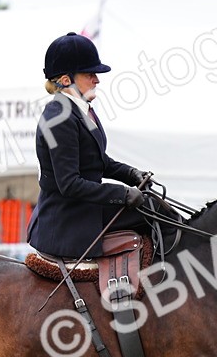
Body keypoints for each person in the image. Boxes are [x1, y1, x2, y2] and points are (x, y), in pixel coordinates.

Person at [26, 32, 152, 259]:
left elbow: (99, 162)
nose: (97, 79)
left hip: (86, 208)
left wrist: (132, 175)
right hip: (68, 219)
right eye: (90, 74)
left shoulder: (81, 110)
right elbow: (70, 184)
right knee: (153, 212)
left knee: (156, 207)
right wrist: (122, 194)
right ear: (66, 80)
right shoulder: (58, 119)